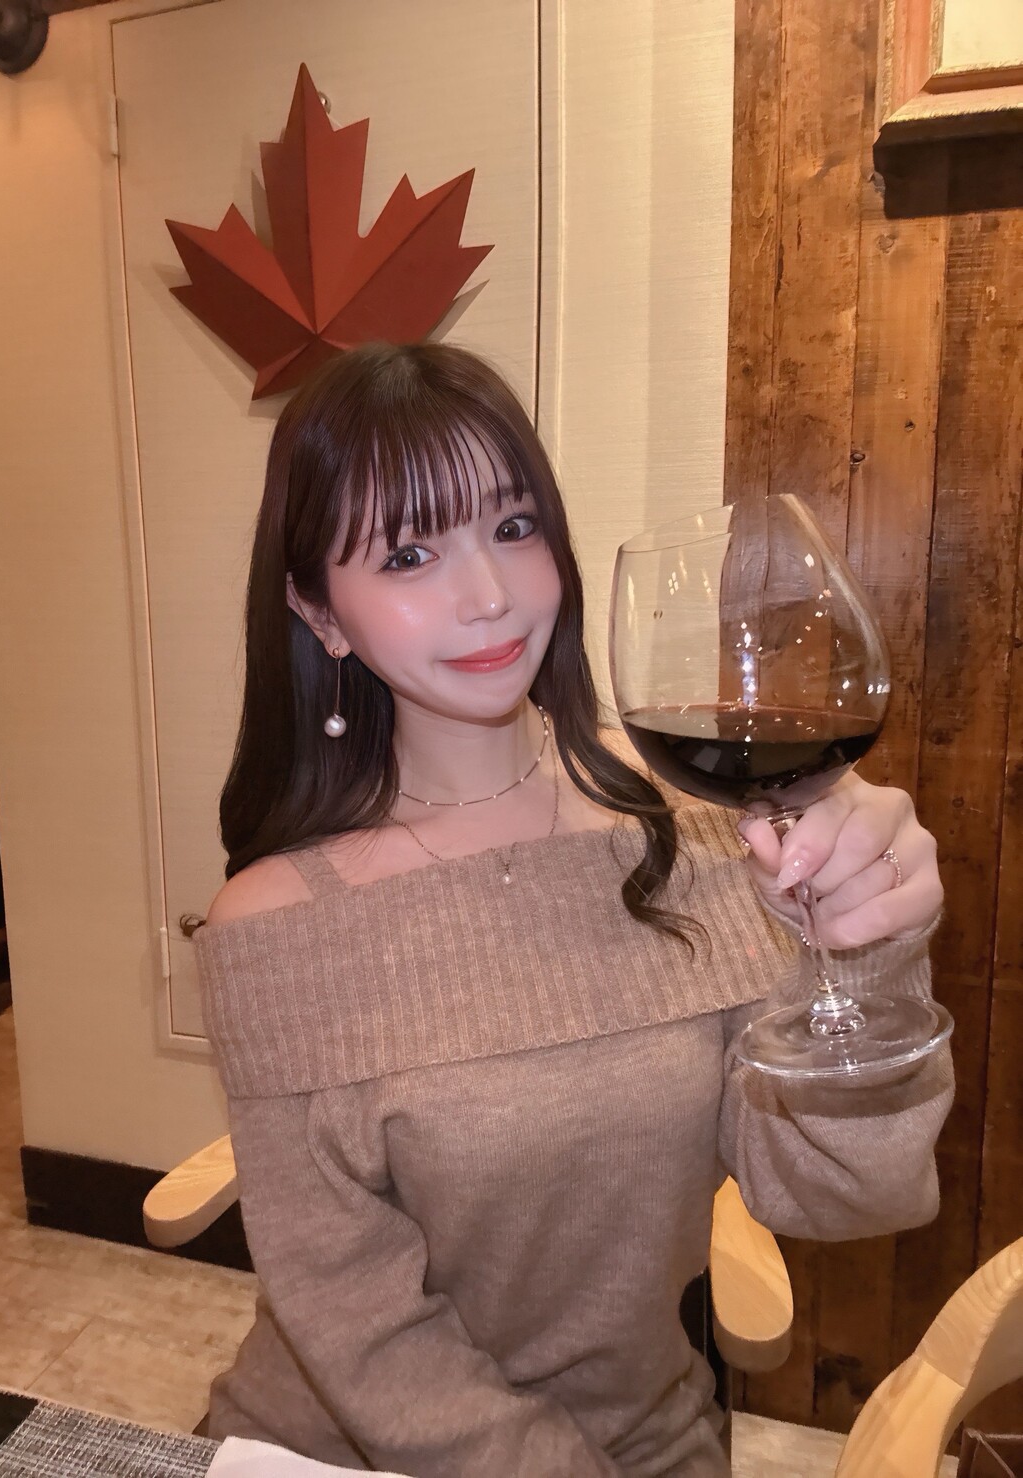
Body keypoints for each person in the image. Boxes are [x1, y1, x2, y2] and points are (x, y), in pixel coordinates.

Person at [194, 341, 953, 1476]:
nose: (491, 595)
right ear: (319, 609)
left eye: (512, 526)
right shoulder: (275, 926)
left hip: (644, 1439)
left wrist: (866, 955)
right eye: (407, 553)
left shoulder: (694, 830)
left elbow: (842, 1189)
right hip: (332, 1455)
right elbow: (354, 1323)